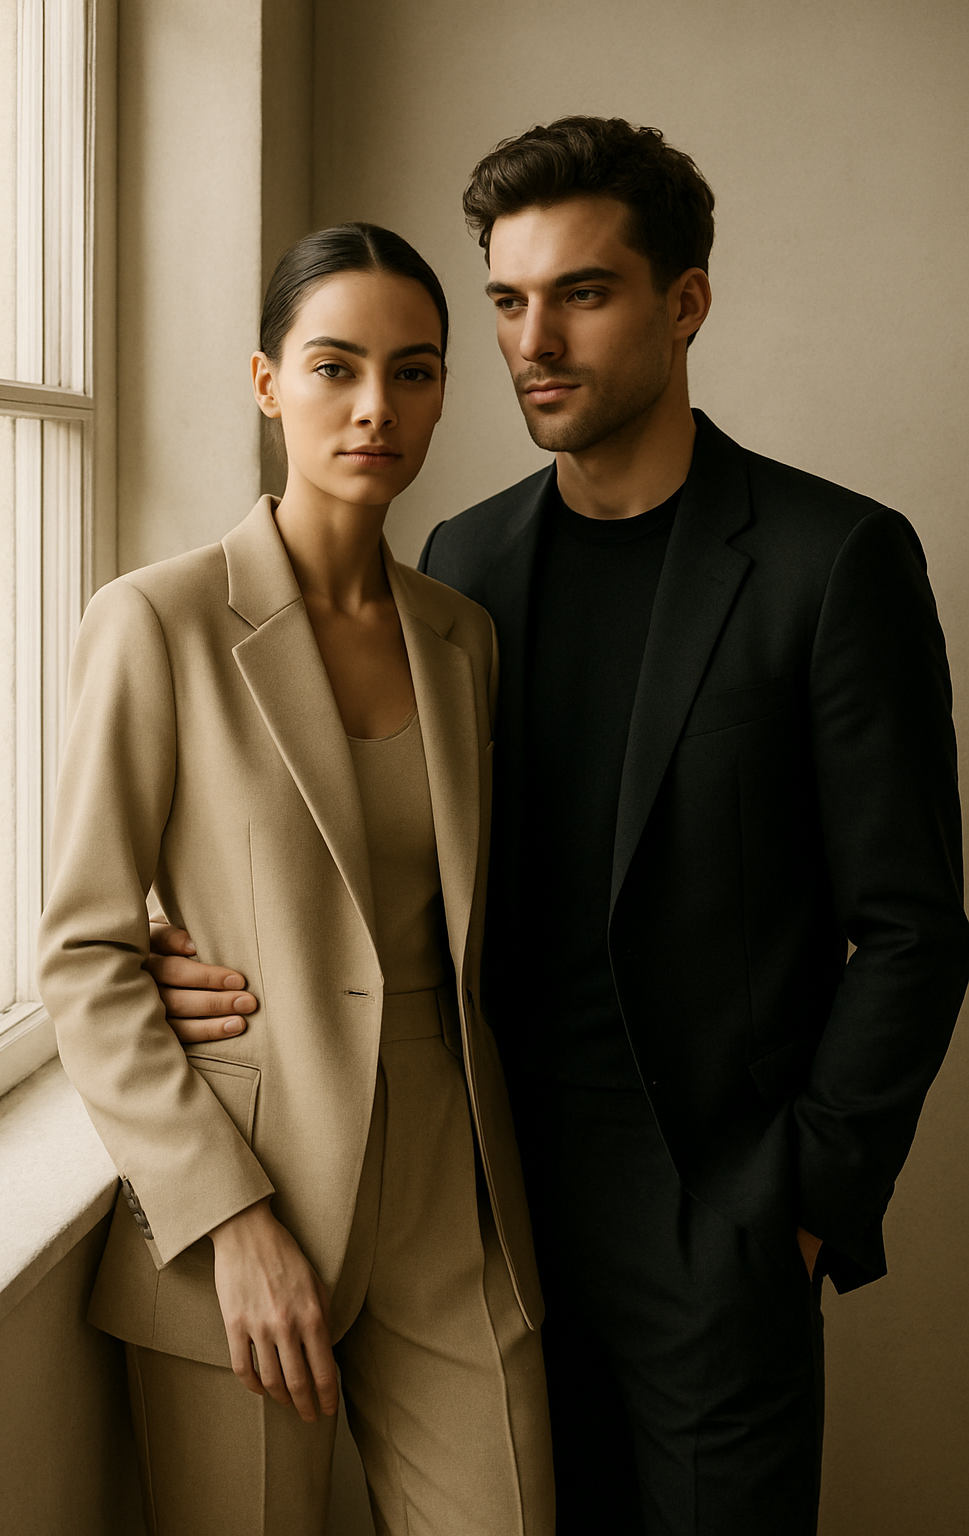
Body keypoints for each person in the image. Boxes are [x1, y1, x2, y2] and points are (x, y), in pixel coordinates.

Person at [148, 120, 969, 1534]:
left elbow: (911, 926)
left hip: (713, 1225)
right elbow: (389, 848)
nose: (538, 340)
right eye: (509, 301)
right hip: (484, 1217)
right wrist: (188, 943)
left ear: (684, 302)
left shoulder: (837, 560)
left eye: (584, 293)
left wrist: (801, 1203)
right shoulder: (466, 564)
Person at [38, 222, 555, 1536]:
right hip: (245, 1207)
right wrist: (229, 1220)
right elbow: (84, 956)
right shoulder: (156, 621)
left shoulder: (461, 639)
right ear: (267, 381)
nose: (377, 407)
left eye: (416, 371)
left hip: (453, 1205)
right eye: (336, 367)